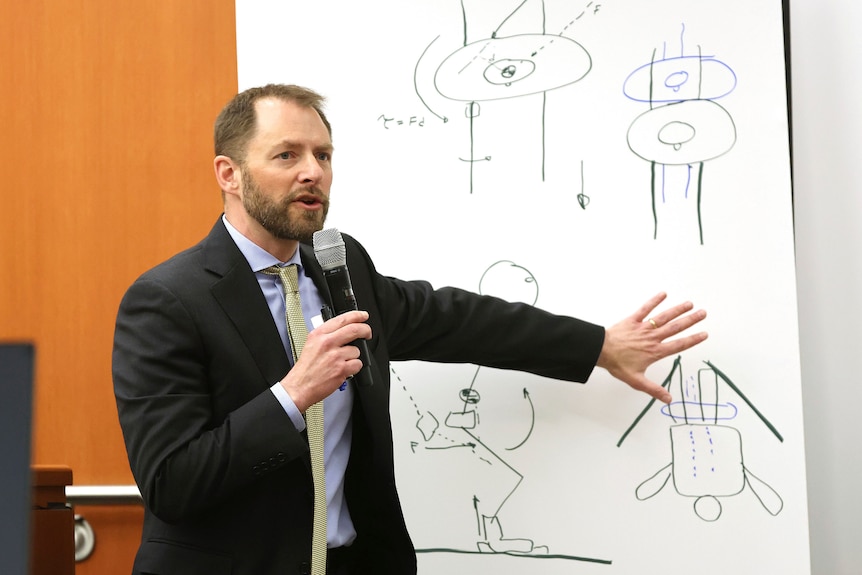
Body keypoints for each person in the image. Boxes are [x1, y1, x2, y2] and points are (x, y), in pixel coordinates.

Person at [112, 83, 707, 575]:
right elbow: (172, 481)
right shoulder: (167, 300)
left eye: (323, 155)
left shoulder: (341, 266)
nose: (313, 173)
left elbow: (459, 321)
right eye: (287, 155)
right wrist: (292, 396)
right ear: (229, 173)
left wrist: (600, 346)